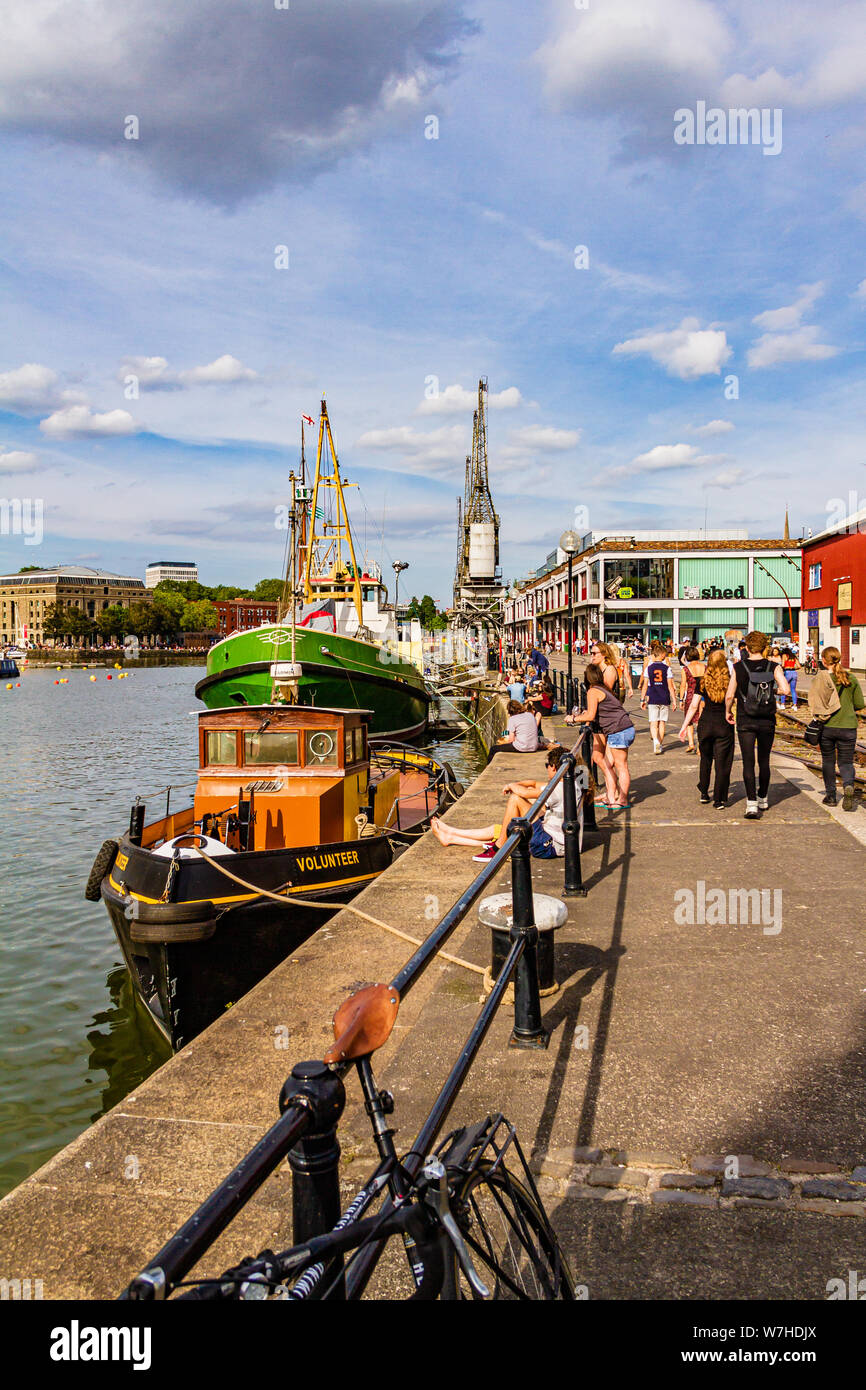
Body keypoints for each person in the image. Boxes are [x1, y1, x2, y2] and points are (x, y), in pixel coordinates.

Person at [430, 745, 579, 861]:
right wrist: (520, 783)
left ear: (553, 767)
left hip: (550, 845)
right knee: (506, 829)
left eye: (547, 766)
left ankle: (499, 848)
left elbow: (525, 793)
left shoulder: (558, 788)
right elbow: (534, 784)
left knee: (516, 800)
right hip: (557, 839)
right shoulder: (570, 783)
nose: (547, 770)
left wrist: (512, 786)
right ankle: (451, 835)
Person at [724, 630, 790, 818]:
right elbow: (785, 690)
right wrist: (771, 691)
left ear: (747, 647)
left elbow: (730, 695)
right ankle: (763, 798)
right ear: (764, 647)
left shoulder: (738, 667)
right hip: (767, 720)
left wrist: (728, 711)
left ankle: (751, 804)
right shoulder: (773, 666)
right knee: (764, 761)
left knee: (748, 762)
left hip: (746, 720)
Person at [567, 663, 634, 808]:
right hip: (623, 728)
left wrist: (573, 719)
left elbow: (591, 716)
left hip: (618, 730)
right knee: (609, 764)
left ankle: (622, 800)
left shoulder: (593, 691)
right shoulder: (604, 689)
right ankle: (611, 795)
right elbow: (597, 712)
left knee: (621, 766)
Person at [810, 646, 864, 810]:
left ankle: (831, 796)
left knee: (828, 761)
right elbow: (860, 704)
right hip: (848, 727)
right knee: (846, 762)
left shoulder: (820, 678)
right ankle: (848, 785)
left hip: (827, 727)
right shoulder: (851, 678)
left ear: (824, 661)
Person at [695, 650, 735, 807]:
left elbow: (693, 705)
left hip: (705, 723)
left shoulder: (703, 681)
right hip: (723, 724)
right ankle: (719, 799)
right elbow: (732, 698)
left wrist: (685, 725)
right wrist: (728, 712)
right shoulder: (729, 681)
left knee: (705, 759)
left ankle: (704, 793)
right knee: (722, 762)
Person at [639, 642, 678, 754]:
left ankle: (655, 741)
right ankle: (660, 744)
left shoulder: (649, 668)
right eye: (664, 655)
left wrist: (642, 699)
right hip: (664, 697)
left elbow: (645, 685)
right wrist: (674, 700)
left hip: (653, 697)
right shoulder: (667, 668)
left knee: (653, 722)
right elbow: (670, 686)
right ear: (661, 655)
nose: (665, 657)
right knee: (662, 722)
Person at [677, 644, 706, 752]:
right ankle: (700, 746)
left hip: (690, 695)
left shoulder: (685, 669)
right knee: (700, 722)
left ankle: (691, 743)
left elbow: (683, 685)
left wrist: (681, 699)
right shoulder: (705, 667)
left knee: (689, 721)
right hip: (702, 696)